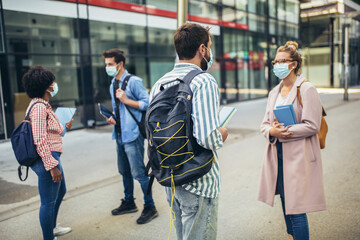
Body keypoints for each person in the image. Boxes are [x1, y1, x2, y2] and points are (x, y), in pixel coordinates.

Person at [149, 23, 228, 240]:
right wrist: (223, 132)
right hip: (199, 180)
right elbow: (207, 137)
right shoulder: (202, 81)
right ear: (202, 49)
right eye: (209, 47)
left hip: (171, 178)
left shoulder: (159, 83)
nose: (210, 53)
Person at [258, 41, 326, 240]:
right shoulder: (274, 92)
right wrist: (272, 131)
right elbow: (264, 124)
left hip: (298, 156)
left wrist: (285, 132)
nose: (277, 65)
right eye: (275, 61)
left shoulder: (306, 89)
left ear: (293, 64)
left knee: (296, 210)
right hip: (277, 155)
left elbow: (312, 125)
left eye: (282, 61)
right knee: (286, 206)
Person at [102, 49, 158, 224]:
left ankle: (150, 206)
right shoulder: (113, 83)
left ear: (120, 64)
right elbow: (119, 109)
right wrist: (112, 117)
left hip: (133, 134)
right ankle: (129, 202)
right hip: (119, 133)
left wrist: (126, 100)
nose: (107, 67)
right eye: (106, 64)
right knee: (124, 171)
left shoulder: (134, 81)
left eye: (110, 64)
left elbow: (148, 103)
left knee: (139, 173)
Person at [22, 66, 73, 240]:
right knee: (48, 202)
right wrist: (51, 165)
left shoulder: (44, 105)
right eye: (52, 82)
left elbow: (48, 132)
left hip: (52, 155)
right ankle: (48, 237)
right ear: (47, 87)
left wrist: (63, 128)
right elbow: (39, 139)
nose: (54, 84)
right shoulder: (39, 108)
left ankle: (52, 227)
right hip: (48, 158)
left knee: (60, 191)